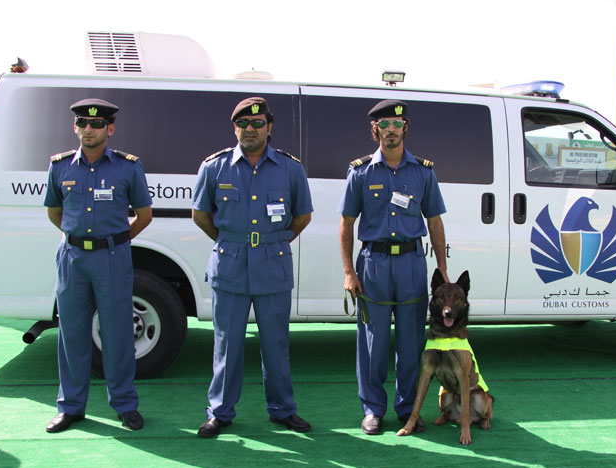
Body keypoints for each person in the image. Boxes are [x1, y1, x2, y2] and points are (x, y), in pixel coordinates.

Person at [192, 97, 313, 438]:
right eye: (243, 123)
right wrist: (231, 241)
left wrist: (275, 241)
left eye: (258, 123)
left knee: (275, 344)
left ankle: (282, 410)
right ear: (235, 128)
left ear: (269, 127)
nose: (250, 129)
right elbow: (200, 214)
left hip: (272, 267)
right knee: (226, 344)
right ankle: (220, 412)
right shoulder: (215, 167)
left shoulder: (290, 169)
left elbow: (302, 215)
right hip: (230, 265)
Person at [338, 99, 449, 435]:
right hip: (373, 264)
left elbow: (435, 221)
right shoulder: (360, 172)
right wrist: (348, 271)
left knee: (411, 343)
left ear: (405, 128)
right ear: (376, 131)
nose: (390, 131)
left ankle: (407, 409)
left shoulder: (423, 172)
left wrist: (442, 269)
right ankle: (373, 409)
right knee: (372, 343)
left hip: (412, 263)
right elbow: (346, 224)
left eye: (396, 125)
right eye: (384, 125)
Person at [43, 99, 153, 433]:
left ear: (110, 129)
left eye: (96, 124)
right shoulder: (60, 166)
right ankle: (71, 407)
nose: (88, 129)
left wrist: (115, 240)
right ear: (75, 128)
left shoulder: (127, 167)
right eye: (82, 124)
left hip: (111, 257)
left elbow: (144, 216)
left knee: (118, 334)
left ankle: (124, 405)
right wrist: (78, 239)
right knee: (72, 334)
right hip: (73, 259)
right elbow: (54, 212)